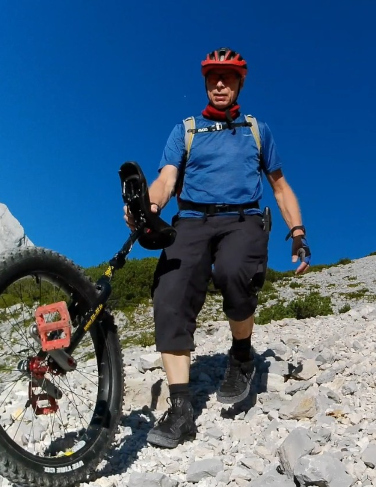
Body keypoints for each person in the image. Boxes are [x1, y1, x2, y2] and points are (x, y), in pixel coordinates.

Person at [124, 47, 311, 448]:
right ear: (206, 83)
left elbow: (280, 187)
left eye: (228, 77)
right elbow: (167, 179)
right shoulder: (186, 130)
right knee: (170, 295)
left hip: (243, 218)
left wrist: (297, 231)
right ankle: (180, 411)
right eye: (213, 77)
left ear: (240, 83)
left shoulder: (257, 130)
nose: (220, 84)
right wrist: (149, 207)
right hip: (191, 220)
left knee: (234, 272)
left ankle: (241, 354)